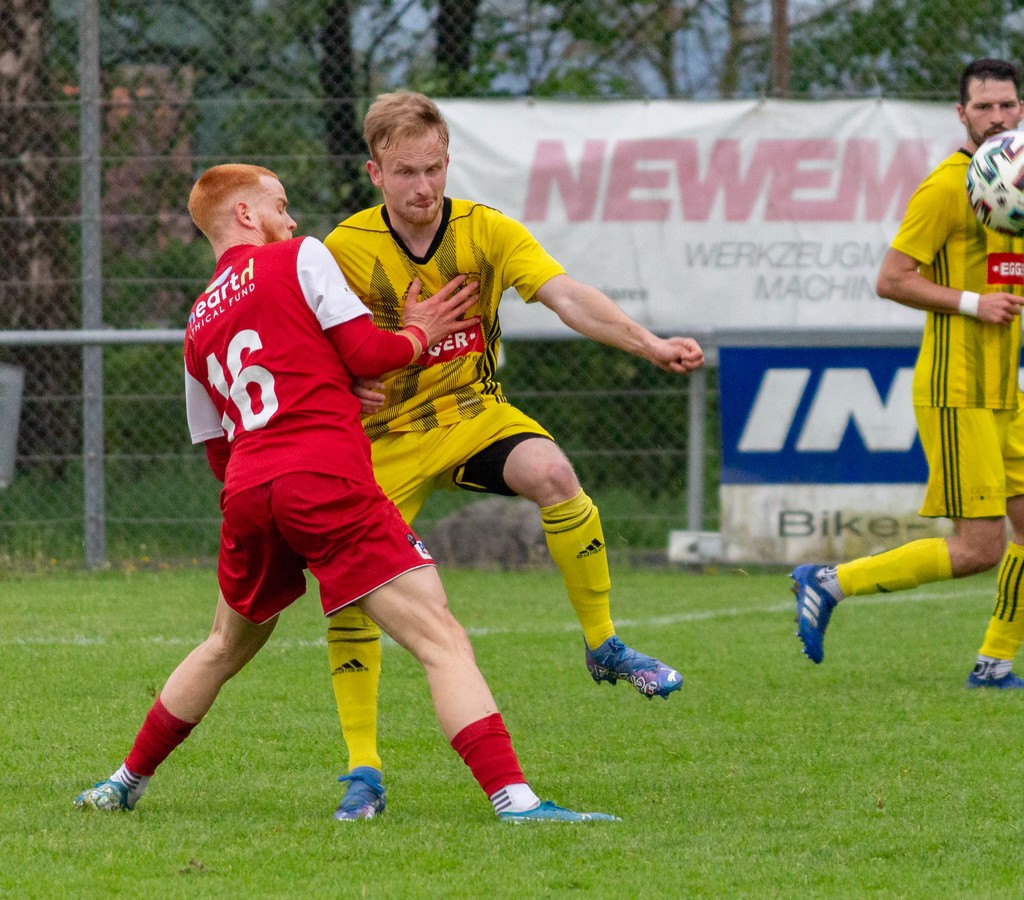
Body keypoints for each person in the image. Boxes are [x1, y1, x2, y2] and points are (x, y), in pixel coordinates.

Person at [74, 163, 616, 824]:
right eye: (280, 205)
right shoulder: (301, 256)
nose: (292, 219)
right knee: (441, 638)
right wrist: (418, 333)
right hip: (322, 477)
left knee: (222, 645)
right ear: (245, 214)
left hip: (248, 490)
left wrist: (314, 408)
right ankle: (516, 801)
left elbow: (217, 447)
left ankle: (123, 782)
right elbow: (366, 353)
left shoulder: (197, 320)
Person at [320, 90, 705, 819]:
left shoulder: (485, 230)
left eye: (434, 169)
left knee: (553, 473)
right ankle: (362, 771)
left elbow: (566, 295)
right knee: (352, 590)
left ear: (448, 161)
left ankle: (605, 644)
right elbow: (314, 345)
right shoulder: (343, 249)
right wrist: (354, 376)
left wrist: (650, 344)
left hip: (472, 412)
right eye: (405, 173)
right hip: (383, 440)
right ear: (374, 172)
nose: (423, 187)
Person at [791, 58, 1024, 689]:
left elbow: (1019, 262)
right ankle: (829, 582)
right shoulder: (948, 187)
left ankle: (994, 666)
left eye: (1006, 105)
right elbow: (891, 279)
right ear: (962, 114)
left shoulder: (1017, 178)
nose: (997, 117)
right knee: (978, 549)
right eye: (984, 107)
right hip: (957, 391)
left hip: (1003, 391)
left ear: (1022, 109)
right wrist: (974, 303)